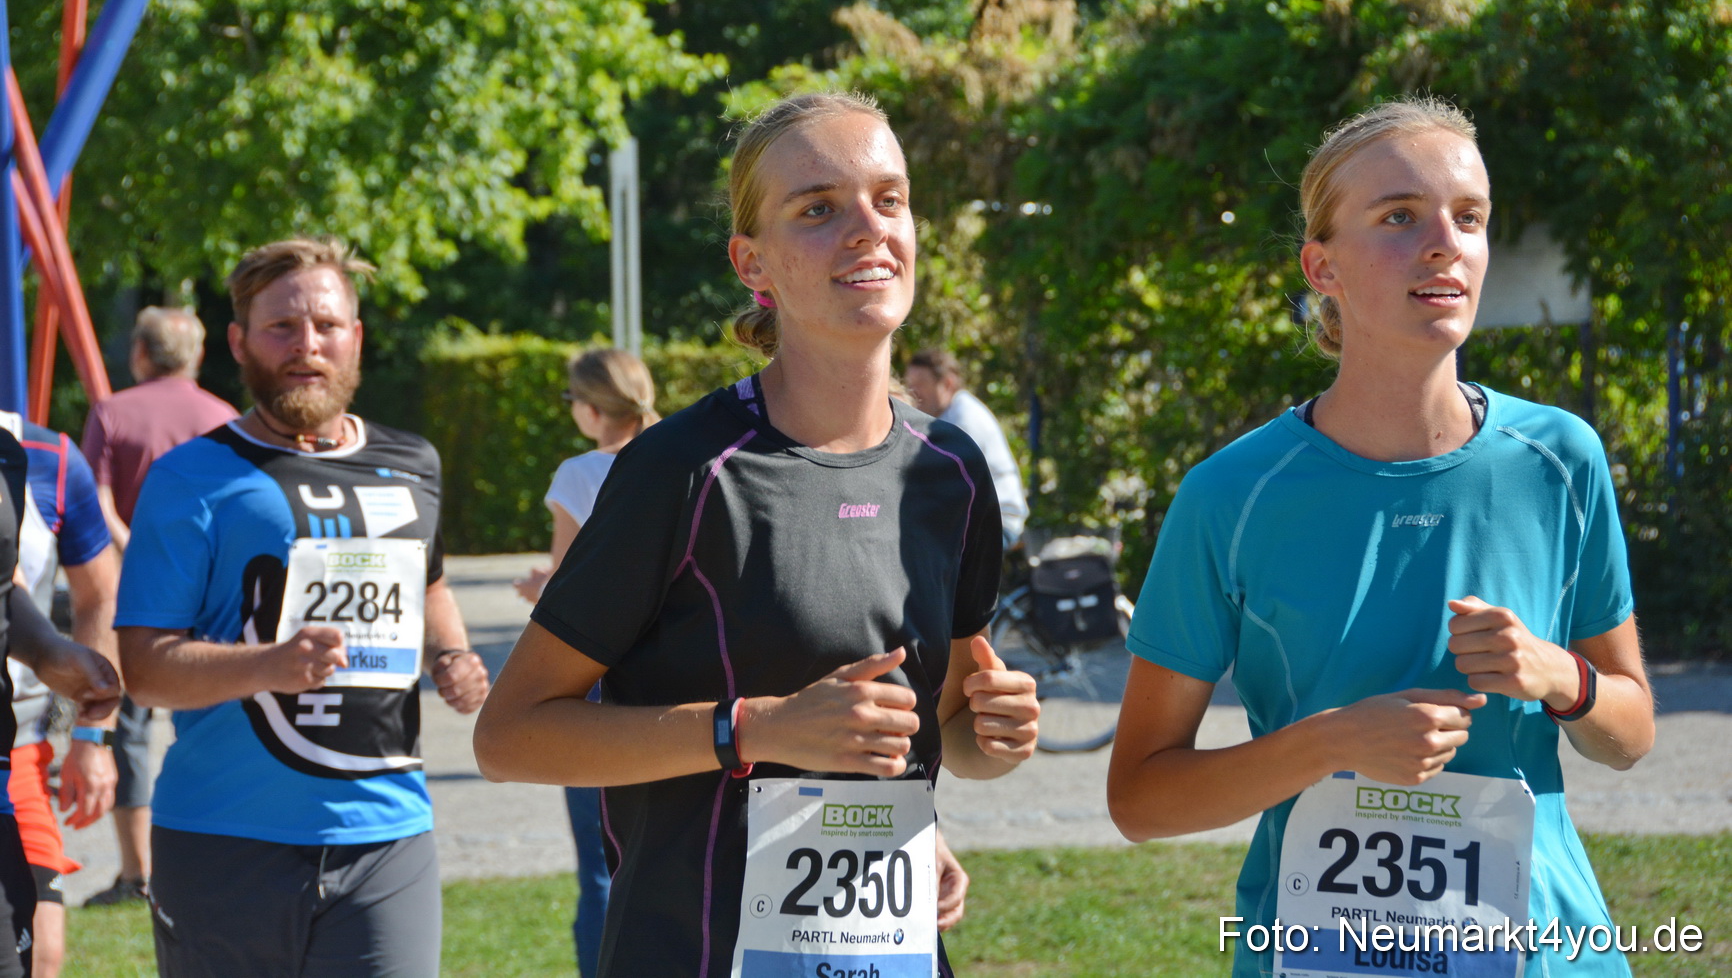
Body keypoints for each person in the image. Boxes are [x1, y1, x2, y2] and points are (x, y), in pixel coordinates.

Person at [473, 91, 1040, 978]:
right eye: (818, 208)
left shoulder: (951, 471)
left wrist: (993, 735)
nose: (866, 228)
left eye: (888, 199)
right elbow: (508, 736)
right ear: (754, 263)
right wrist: (756, 728)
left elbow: (951, 725)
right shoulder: (685, 469)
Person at [1107, 97, 1655, 977]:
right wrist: (1332, 744)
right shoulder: (1230, 495)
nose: (1445, 242)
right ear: (1321, 265)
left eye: (1467, 217)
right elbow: (1139, 797)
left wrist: (1560, 675)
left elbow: (1629, 732)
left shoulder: (1560, 459)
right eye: (1401, 216)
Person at [114, 238, 490, 978]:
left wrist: (451, 653)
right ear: (238, 343)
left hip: (387, 836)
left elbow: (431, 582)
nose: (306, 345)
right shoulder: (190, 475)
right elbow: (146, 669)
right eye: (281, 327)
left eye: (326, 324)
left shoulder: (414, 462)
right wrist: (271, 665)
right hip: (223, 837)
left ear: (356, 336)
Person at [80, 306, 238, 906]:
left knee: (132, 729)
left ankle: (136, 872)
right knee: (220, 715)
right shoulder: (224, 416)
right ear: (197, 355)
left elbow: (95, 500)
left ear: (140, 353)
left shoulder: (112, 411)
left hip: (136, 594)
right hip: (215, 594)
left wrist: (141, 549)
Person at [512, 347, 661, 977]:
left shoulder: (578, 474)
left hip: (597, 684)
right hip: (672, 681)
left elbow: (571, 594)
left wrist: (539, 585)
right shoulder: (683, 457)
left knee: (602, 864)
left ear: (593, 407)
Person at [0, 410, 120, 978]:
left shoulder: (45, 456)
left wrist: (91, 736)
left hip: (16, 747)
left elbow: (101, 594)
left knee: (39, 956)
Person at [905, 349, 1029, 549]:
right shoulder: (946, 415)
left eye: (920, 385)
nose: (913, 393)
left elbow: (942, 490)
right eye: (910, 385)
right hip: (979, 521)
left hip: (998, 525)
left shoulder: (963, 420)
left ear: (947, 384)